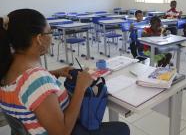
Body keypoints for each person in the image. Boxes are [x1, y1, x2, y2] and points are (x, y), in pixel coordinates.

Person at [0, 9, 130, 135]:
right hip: (67, 129)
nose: (51, 38)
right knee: (122, 128)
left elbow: (25, 86)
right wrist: (80, 88)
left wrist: (54, 73)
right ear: (39, 38)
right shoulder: (36, 79)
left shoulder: (7, 69)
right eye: (49, 33)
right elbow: (61, 132)